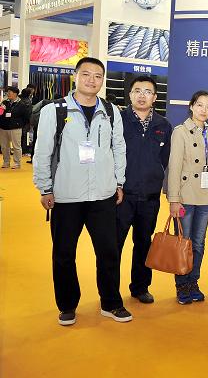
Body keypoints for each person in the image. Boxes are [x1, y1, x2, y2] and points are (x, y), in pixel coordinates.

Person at [32, 57, 130, 326]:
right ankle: (67, 305)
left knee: (108, 252)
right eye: (86, 74)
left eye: (98, 76)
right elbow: (42, 151)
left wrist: (119, 182)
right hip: (66, 195)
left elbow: (119, 148)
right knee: (64, 254)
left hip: (103, 195)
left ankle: (111, 302)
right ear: (76, 76)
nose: (92, 80)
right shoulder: (54, 110)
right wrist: (45, 187)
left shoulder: (111, 111)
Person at [116, 75, 172, 304]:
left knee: (143, 243)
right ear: (130, 95)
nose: (142, 95)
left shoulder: (163, 125)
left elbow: (165, 159)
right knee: (114, 244)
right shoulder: (118, 120)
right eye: (137, 91)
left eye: (147, 92)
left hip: (149, 197)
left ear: (155, 97)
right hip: (121, 196)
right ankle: (110, 291)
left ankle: (140, 287)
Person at [167, 90, 208, 305]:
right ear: (191, 107)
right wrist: (173, 199)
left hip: (206, 197)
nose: (204, 110)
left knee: (198, 243)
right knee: (183, 243)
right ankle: (181, 284)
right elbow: (174, 167)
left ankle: (193, 281)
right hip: (185, 195)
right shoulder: (180, 132)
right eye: (200, 105)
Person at [1, 86, 30, 169]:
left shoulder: (21, 104)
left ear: (15, 94)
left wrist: (19, 124)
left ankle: (17, 163)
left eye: (10, 92)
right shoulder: (5, 102)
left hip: (15, 128)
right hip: (3, 127)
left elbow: (26, 117)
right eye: (7, 92)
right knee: (4, 147)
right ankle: (6, 162)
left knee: (16, 146)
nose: (8, 94)